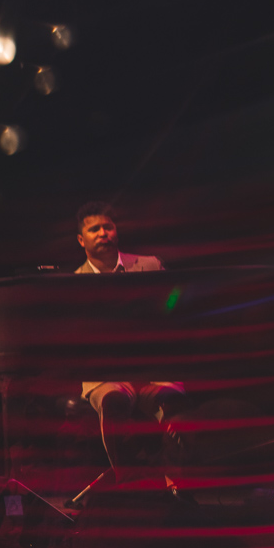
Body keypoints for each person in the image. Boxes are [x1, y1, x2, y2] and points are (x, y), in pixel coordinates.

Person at [75, 201, 186, 494]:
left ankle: (176, 484)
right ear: (81, 239)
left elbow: (173, 305)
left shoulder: (149, 265)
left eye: (107, 227)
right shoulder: (73, 283)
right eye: (94, 229)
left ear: (116, 231)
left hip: (152, 368)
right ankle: (128, 485)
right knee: (112, 400)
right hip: (107, 374)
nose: (102, 233)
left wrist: (166, 311)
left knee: (172, 399)